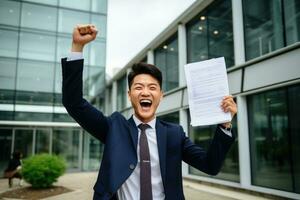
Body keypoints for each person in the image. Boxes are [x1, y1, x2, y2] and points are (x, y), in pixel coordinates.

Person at [61, 24, 237, 200]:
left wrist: (225, 123)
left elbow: (210, 165)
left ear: (161, 96)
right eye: (138, 87)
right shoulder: (114, 127)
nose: (145, 92)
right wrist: (77, 47)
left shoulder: (174, 134)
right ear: (130, 95)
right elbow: (73, 103)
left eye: (152, 87)